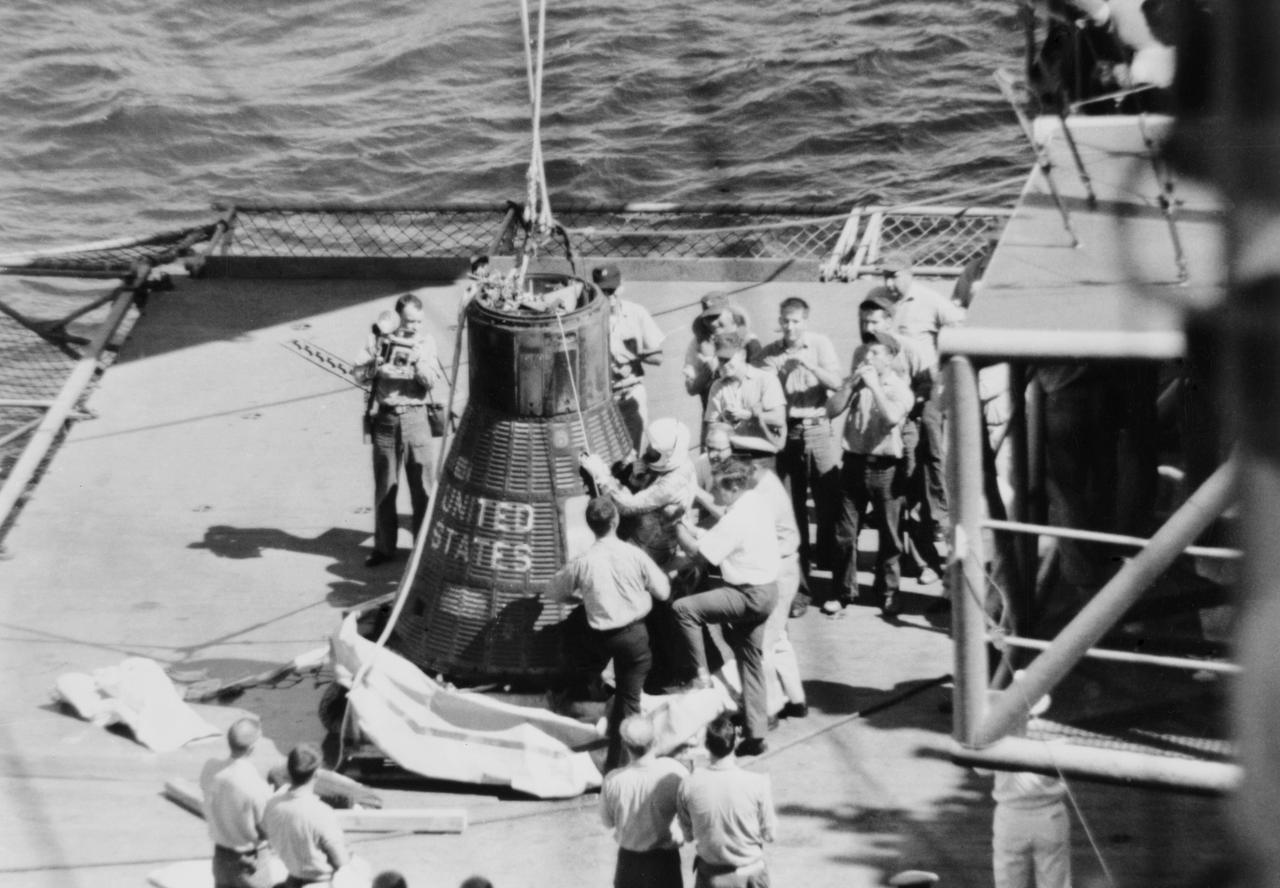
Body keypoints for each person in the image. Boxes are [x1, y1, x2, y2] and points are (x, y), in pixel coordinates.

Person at [548, 496, 671, 771]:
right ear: (615, 521)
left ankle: (588, 705)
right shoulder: (635, 555)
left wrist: (581, 599)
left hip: (599, 639)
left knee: (592, 670)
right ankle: (621, 767)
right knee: (630, 701)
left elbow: (553, 591)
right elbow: (663, 592)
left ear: (590, 525)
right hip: (634, 637)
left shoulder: (583, 562)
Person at [694, 431, 807, 722]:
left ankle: (768, 709)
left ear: (753, 463)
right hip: (782, 566)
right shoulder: (763, 482)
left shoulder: (759, 492)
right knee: (778, 637)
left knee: (760, 646)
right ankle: (795, 699)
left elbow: (730, 524)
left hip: (776, 570)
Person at [672, 458, 779, 756]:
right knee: (750, 659)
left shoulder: (736, 518)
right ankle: (756, 734)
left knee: (684, 609)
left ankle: (701, 675)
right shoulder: (754, 502)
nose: (713, 494)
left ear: (733, 488)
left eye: (718, 488)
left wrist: (677, 526)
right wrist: (698, 531)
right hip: (768, 591)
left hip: (748, 595)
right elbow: (726, 538)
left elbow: (699, 555)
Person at [352, 292, 446, 567]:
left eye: (418, 322)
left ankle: (423, 552)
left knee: (422, 487)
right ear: (396, 319)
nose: (413, 327)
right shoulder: (378, 339)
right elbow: (357, 373)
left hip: (416, 418)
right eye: (408, 322)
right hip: (386, 419)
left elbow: (430, 381)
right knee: (385, 487)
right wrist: (376, 368)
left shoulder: (425, 342)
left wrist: (416, 361)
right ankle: (384, 548)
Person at [880, 250, 965, 552]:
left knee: (932, 450)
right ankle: (895, 513)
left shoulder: (930, 301)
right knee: (897, 455)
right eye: (884, 276)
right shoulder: (877, 299)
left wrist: (942, 367)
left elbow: (960, 327)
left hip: (926, 386)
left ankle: (940, 514)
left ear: (910, 273)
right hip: (892, 387)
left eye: (894, 276)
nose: (888, 283)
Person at [858, 289, 945, 584]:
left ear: (889, 322)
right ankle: (894, 560)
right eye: (865, 322)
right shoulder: (863, 351)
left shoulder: (909, 349)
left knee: (911, 496)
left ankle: (925, 562)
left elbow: (928, 385)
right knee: (886, 501)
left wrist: (907, 405)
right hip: (874, 434)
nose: (869, 328)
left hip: (906, 430)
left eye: (875, 322)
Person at [827, 334, 913, 616]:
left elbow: (891, 418)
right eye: (866, 352)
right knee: (845, 534)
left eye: (875, 353)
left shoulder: (899, 388)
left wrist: (874, 386)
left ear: (890, 358)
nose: (868, 358)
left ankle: (888, 592)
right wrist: (850, 386)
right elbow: (831, 410)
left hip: (886, 467)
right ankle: (843, 592)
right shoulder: (857, 384)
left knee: (890, 536)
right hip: (853, 462)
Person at [757, 296, 843, 574]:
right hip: (788, 431)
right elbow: (760, 389)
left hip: (817, 427)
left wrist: (811, 366)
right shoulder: (770, 353)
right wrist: (777, 374)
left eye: (795, 321)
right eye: (785, 321)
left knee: (827, 498)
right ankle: (801, 566)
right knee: (792, 504)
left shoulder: (819, 344)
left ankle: (828, 557)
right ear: (779, 321)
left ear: (805, 321)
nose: (790, 327)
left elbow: (837, 383)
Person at [979, 683, 1072, 888]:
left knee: (1008, 881)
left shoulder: (999, 735)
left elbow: (981, 769)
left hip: (1011, 817)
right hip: (1051, 816)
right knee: (1055, 880)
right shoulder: (1058, 736)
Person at [677, 714, 776, 888]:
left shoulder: (688, 784)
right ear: (735, 741)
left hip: (711, 877)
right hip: (750, 875)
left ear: (706, 745)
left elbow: (688, 836)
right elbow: (770, 835)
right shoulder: (758, 782)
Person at [599, 715, 688, 888]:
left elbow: (607, 822)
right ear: (655, 741)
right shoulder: (675, 771)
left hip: (629, 863)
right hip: (664, 862)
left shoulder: (613, 780)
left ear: (624, 745)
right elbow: (689, 816)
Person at [595, 264, 666, 453]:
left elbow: (658, 357)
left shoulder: (637, 313)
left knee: (636, 450)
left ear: (621, 287)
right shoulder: (590, 318)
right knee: (605, 453)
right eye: (603, 291)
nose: (609, 296)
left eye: (612, 290)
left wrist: (633, 354)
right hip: (601, 397)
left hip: (630, 390)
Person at [263, 743, 351, 887]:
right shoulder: (322, 812)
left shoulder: (272, 805)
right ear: (316, 773)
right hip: (319, 881)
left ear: (289, 771)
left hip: (292, 876)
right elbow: (341, 861)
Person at [199, 717, 273, 888]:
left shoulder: (210, 768)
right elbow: (265, 828)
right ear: (252, 748)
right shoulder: (257, 786)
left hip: (221, 858)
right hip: (249, 860)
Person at [704, 331, 787, 471]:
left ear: (742, 354)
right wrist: (726, 421)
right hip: (732, 456)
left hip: (763, 456)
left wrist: (747, 415)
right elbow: (712, 427)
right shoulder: (717, 387)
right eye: (720, 359)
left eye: (727, 359)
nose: (723, 364)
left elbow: (779, 418)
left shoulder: (766, 379)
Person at [683, 292, 763, 410]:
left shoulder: (749, 341)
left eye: (716, 316)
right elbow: (691, 389)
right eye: (707, 318)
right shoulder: (697, 344)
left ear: (730, 314)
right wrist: (708, 370)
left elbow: (762, 381)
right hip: (713, 412)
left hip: (745, 410)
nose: (712, 323)